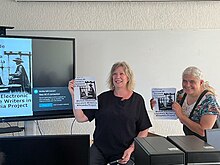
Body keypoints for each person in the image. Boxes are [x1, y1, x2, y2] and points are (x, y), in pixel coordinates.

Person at [68, 61, 152, 165]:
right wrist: (74, 95)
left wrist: (131, 149)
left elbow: (144, 129)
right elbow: (80, 118)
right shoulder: (102, 98)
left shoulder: (137, 100)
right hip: (100, 149)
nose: (118, 77)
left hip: (125, 151)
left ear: (128, 77)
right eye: (114, 74)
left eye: (122, 74)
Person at [151, 66, 220, 141]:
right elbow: (172, 112)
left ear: (201, 82)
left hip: (211, 144)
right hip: (192, 140)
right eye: (185, 81)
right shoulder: (181, 94)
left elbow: (203, 131)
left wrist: (181, 116)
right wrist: (156, 106)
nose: (187, 85)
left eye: (192, 82)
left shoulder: (209, 101)